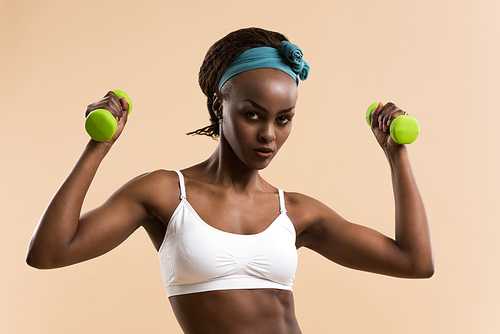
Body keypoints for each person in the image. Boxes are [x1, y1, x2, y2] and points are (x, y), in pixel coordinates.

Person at [26, 27, 434, 334]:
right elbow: (49, 252)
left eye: (284, 118)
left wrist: (396, 154)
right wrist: (98, 147)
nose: (269, 135)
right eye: (253, 114)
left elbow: (414, 263)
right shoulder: (165, 193)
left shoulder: (295, 211)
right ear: (220, 105)